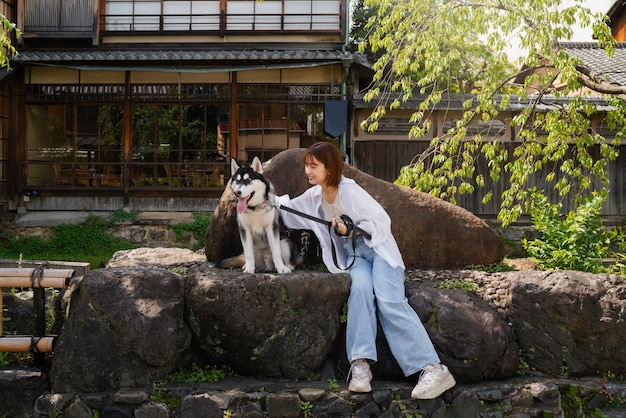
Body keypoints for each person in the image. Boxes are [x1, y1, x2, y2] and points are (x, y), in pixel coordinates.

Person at [275, 141, 456, 399]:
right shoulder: (315, 196)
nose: (308, 171)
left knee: (389, 300)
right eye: (307, 166)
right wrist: (263, 200)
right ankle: (360, 366)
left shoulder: (349, 190)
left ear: (330, 167)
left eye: (314, 166)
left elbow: (382, 220)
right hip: (353, 256)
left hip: (377, 249)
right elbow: (290, 209)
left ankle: (434, 369)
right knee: (359, 291)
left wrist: (351, 228)